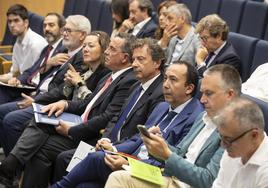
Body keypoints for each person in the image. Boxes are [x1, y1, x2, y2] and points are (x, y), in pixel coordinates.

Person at [0, 33, 137, 188]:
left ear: (125, 58)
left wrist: (72, 130)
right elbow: (88, 103)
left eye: (111, 49)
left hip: (91, 135)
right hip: (79, 120)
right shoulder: (113, 75)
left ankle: (9, 166)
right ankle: (10, 167)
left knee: (39, 143)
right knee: (41, 119)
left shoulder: (127, 80)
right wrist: (64, 104)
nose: (106, 51)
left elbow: (106, 117)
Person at [51, 61, 204, 188]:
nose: (165, 84)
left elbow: (173, 160)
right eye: (165, 79)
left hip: (153, 174)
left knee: (95, 158)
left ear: (189, 88)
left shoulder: (195, 117)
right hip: (131, 161)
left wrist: (129, 164)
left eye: (173, 80)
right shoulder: (162, 106)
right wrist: (114, 148)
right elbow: (138, 138)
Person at [105, 64, 242, 188]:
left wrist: (167, 155)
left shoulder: (236, 130)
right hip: (170, 177)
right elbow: (181, 153)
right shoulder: (203, 117)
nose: (202, 99)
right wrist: (158, 144)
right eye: (203, 92)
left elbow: (208, 180)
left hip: (184, 184)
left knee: (118, 179)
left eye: (209, 93)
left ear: (230, 94)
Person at [53, 38, 165, 181]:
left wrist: (114, 148)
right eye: (134, 59)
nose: (135, 64)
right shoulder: (136, 86)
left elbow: (142, 134)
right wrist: (105, 138)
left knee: (65, 159)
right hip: (107, 144)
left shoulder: (160, 93)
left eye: (141, 59)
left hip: (125, 153)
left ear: (157, 63)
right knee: (63, 159)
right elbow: (116, 118)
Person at [0, 14, 91, 155]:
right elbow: (41, 75)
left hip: (51, 104)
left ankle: (14, 170)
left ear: (82, 35)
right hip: (39, 95)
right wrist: (47, 66)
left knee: (11, 120)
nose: (64, 34)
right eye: (64, 30)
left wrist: (36, 100)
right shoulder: (63, 51)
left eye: (68, 30)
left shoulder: (82, 59)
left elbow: (63, 91)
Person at [0, 12, 66, 104]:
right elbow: (31, 71)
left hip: (38, 93)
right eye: (44, 26)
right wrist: (18, 79)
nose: (46, 29)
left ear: (62, 30)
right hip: (26, 86)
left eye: (51, 25)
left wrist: (36, 95)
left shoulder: (63, 50)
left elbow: (52, 81)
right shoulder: (47, 48)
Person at [212, 97, 268, 188]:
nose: (223, 145)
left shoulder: (265, 172)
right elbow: (219, 184)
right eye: (221, 137)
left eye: (228, 139)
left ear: (254, 135)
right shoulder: (233, 149)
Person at [0, 4, 47, 83]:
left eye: (16, 20)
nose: (12, 25)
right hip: (21, 82)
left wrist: (17, 80)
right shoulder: (17, 44)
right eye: (9, 21)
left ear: (26, 23)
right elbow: (14, 73)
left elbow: (38, 77)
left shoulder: (37, 44)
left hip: (32, 87)